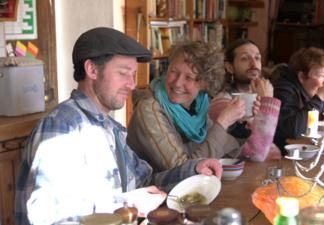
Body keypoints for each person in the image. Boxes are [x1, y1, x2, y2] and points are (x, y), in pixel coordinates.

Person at [15, 27, 222, 225]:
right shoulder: (62, 128)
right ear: (92, 69)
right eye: (123, 73)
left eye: (133, 74)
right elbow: (47, 215)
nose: (132, 84)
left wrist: (193, 170)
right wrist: (125, 204)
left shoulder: (109, 128)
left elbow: (145, 182)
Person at [127, 40, 263, 172]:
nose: (177, 83)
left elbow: (223, 156)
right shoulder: (149, 108)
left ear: (205, 83)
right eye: (173, 71)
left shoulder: (198, 106)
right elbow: (181, 169)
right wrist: (223, 122)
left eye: (189, 77)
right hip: (155, 192)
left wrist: (239, 124)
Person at [208, 39, 282, 161]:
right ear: (229, 67)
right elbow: (254, 154)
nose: (254, 64)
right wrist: (267, 102)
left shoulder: (257, 95)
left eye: (257, 58)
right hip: (241, 174)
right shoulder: (222, 104)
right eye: (245, 59)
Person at [272, 47, 324, 153]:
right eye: (321, 76)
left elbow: (321, 118)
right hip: (283, 157)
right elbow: (294, 131)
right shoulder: (284, 91)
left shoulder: (310, 90)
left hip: (305, 151)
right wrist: (319, 99)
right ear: (302, 77)